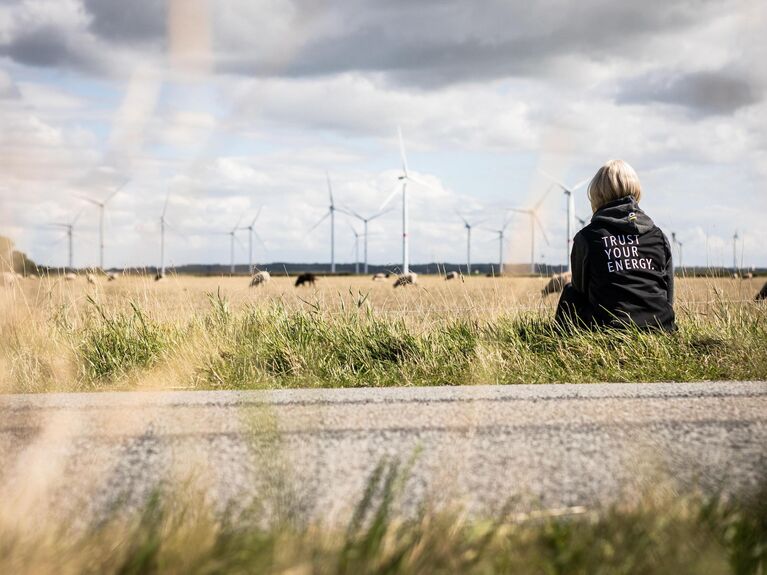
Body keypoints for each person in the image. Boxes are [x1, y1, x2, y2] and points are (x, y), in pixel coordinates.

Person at [555, 159, 675, 331]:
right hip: (661, 328)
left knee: (570, 291)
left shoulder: (587, 237)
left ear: (597, 194)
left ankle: (559, 341)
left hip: (606, 329)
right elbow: (668, 295)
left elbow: (580, 290)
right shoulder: (659, 236)